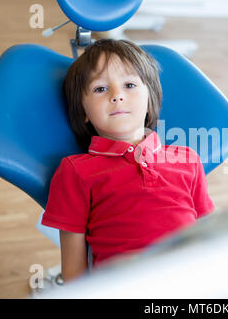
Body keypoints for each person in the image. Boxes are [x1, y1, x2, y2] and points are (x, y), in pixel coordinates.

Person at [41, 39, 215, 282]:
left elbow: (210, 238)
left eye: (130, 85)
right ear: (83, 113)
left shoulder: (187, 160)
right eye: (101, 89)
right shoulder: (75, 172)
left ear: (149, 101)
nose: (117, 96)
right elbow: (74, 269)